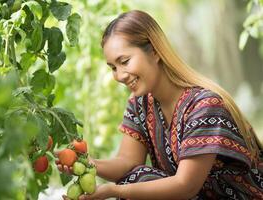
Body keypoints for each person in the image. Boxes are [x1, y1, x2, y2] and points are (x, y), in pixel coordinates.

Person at [58, 10, 263, 200]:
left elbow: (186, 186)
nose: (119, 75)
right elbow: (127, 163)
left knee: (135, 180)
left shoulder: (204, 105)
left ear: (154, 52)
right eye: (113, 67)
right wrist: (86, 164)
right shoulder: (140, 105)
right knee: (134, 176)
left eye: (125, 61)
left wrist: (115, 190)